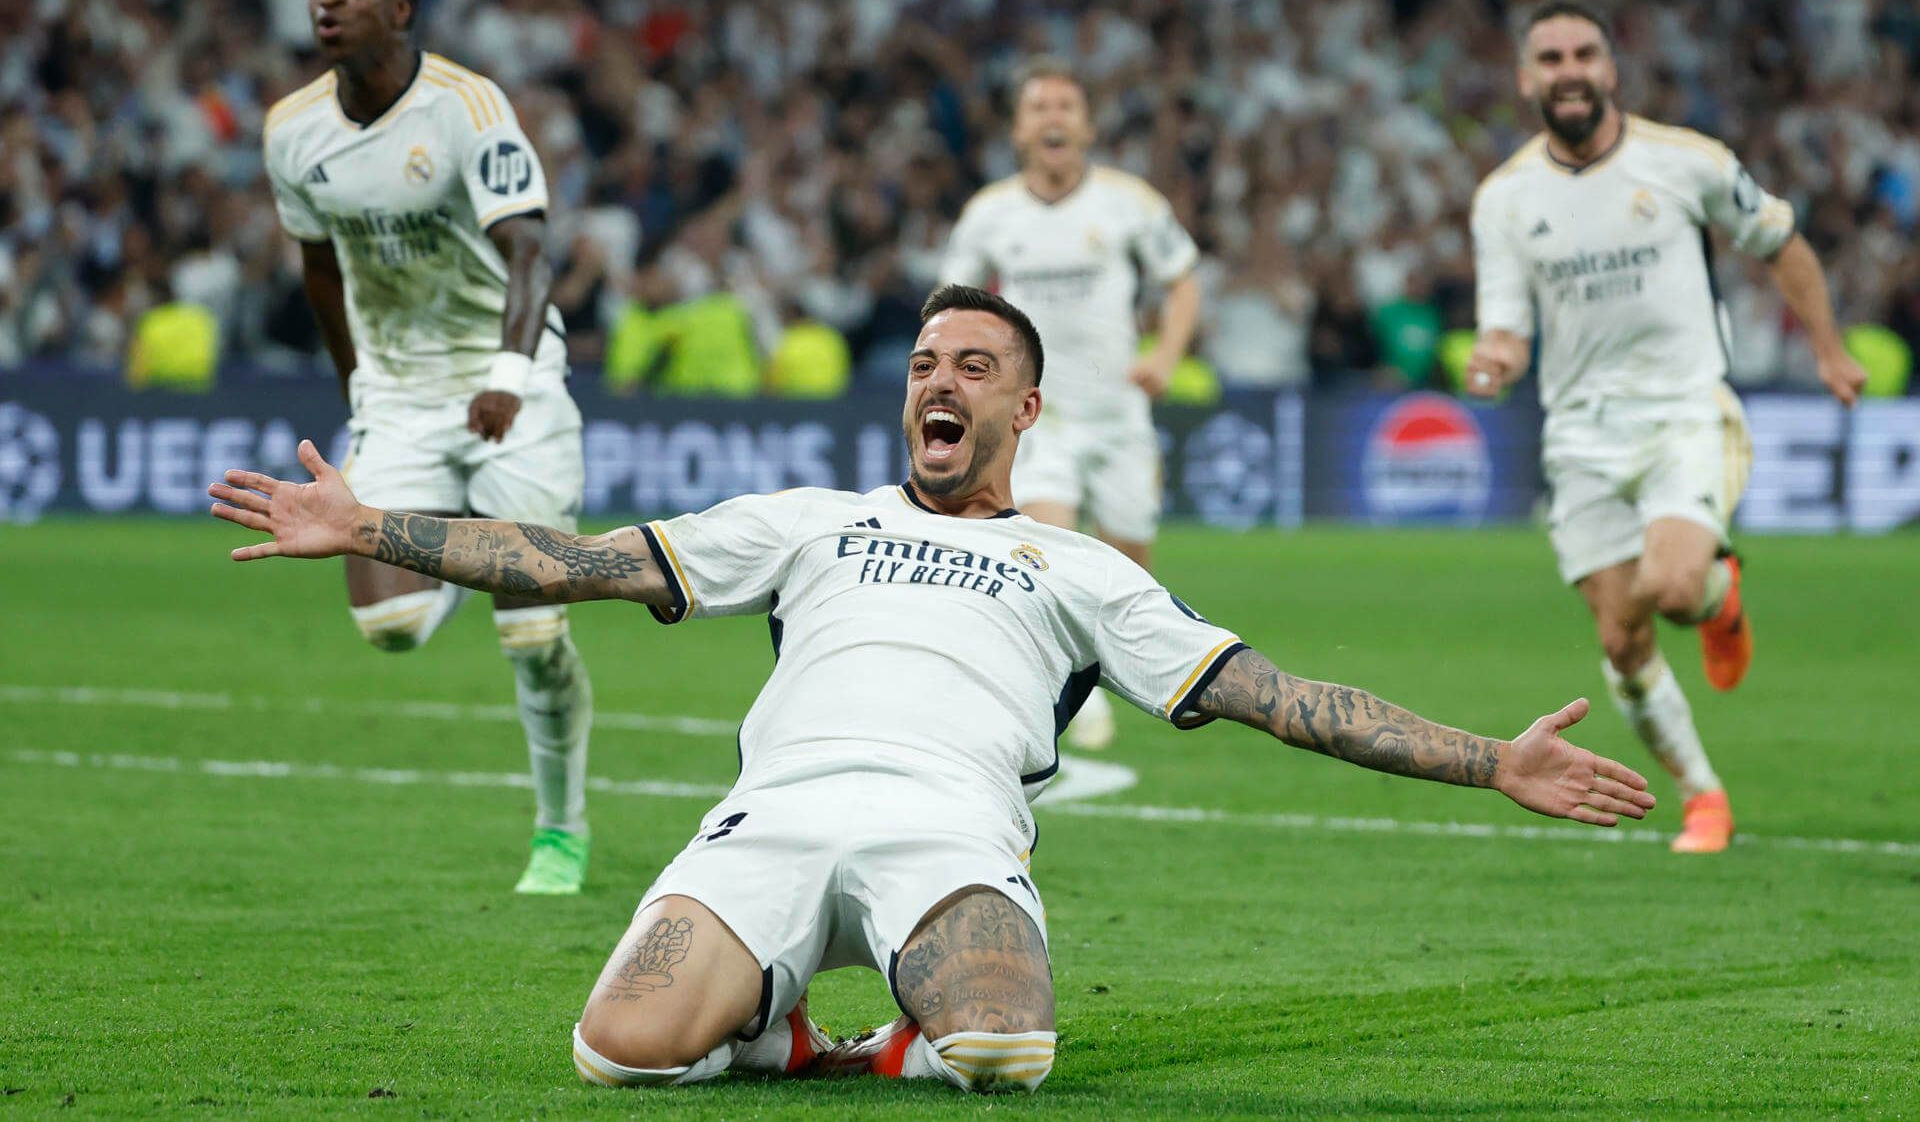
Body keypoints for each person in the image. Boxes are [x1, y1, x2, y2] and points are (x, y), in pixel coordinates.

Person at [210, 284, 1657, 1096]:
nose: (935, 382)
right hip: (768, 819)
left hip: (948, 832)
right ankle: (789, 1036)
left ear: (1026, 405)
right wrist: (372, 528)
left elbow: (1278, 694)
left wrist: (1491, 760)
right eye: (920, 363)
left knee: (1006, 1050)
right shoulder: (808, 520)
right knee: (612, 1051)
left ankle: (881, 1025)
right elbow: (579, 559)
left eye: (972, 364)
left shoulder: (1080, 567)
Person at [1466, 0, 1866, 855]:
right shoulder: (1503, 199)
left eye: (1584, 53)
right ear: (1526, 79)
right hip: (1579, 435)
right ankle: (1703, 795)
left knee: (1677, 587)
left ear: (1610, 69)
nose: (1568, 70)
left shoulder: (1686, 161)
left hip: (1684, 410)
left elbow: (1783, 243)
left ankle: (1721, 600)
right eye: (1550, 57)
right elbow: (1504, 322)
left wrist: (1829, 352)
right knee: (1621, 634)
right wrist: (1494, 360)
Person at [258, 0, 595, 894]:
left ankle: (561, 831)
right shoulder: (293, 131)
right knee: (392, 629)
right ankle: (471, 539)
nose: (328, 0)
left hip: (508, 379)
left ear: (401, 7)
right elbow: (320, 269)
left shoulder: (467, 107)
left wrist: (508, 375)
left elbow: (530, 246)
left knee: (533, 635)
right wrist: (358, 390)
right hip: (400, 397)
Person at [939, 57, 1203, 752]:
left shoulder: (1129, 202)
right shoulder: (989, 214)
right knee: (1047, 550)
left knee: (1129, 570)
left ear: (1085, 126)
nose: (1053, 116)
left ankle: (1108, 672)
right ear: (1019, 129)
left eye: (1066, 105)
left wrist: (1165, 357)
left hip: (1118, 415)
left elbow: (1183, 284)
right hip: (1037, 417)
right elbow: (952, 308)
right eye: (1038, 107)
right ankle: (1067, 691)